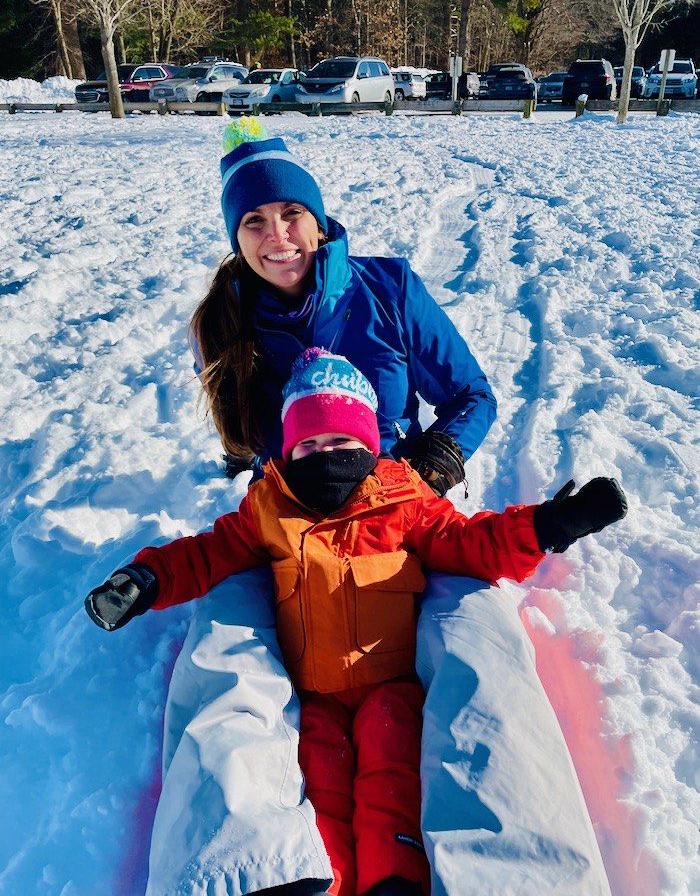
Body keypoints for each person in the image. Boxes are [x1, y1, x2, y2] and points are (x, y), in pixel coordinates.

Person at [123, 117, 614, 896]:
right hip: (285, 516)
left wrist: (429, 466)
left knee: (478, 650)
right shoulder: (220, 323)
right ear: (235, 235)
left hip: (407, 505)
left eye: (291, 214)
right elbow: (239, 444)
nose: (276, 235)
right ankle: (239, 869)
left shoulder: (389, 288)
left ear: (317, 218)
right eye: (253, 221)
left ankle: (513, 871)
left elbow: (472, 395)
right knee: (222, 656)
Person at [85, 348, 627, 896]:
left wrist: (548, 526)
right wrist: (147, 579)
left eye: (342, 443)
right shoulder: (270, 505)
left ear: (369, 445)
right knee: (318, 787)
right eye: (310, 445)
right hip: (312, 696)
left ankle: (394, 880)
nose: (326, 455)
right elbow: (209, 554)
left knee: (390, 778)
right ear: (289, 449)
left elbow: (471, 543)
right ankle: (323, 882)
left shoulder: (403, 499)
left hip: (391, 688)